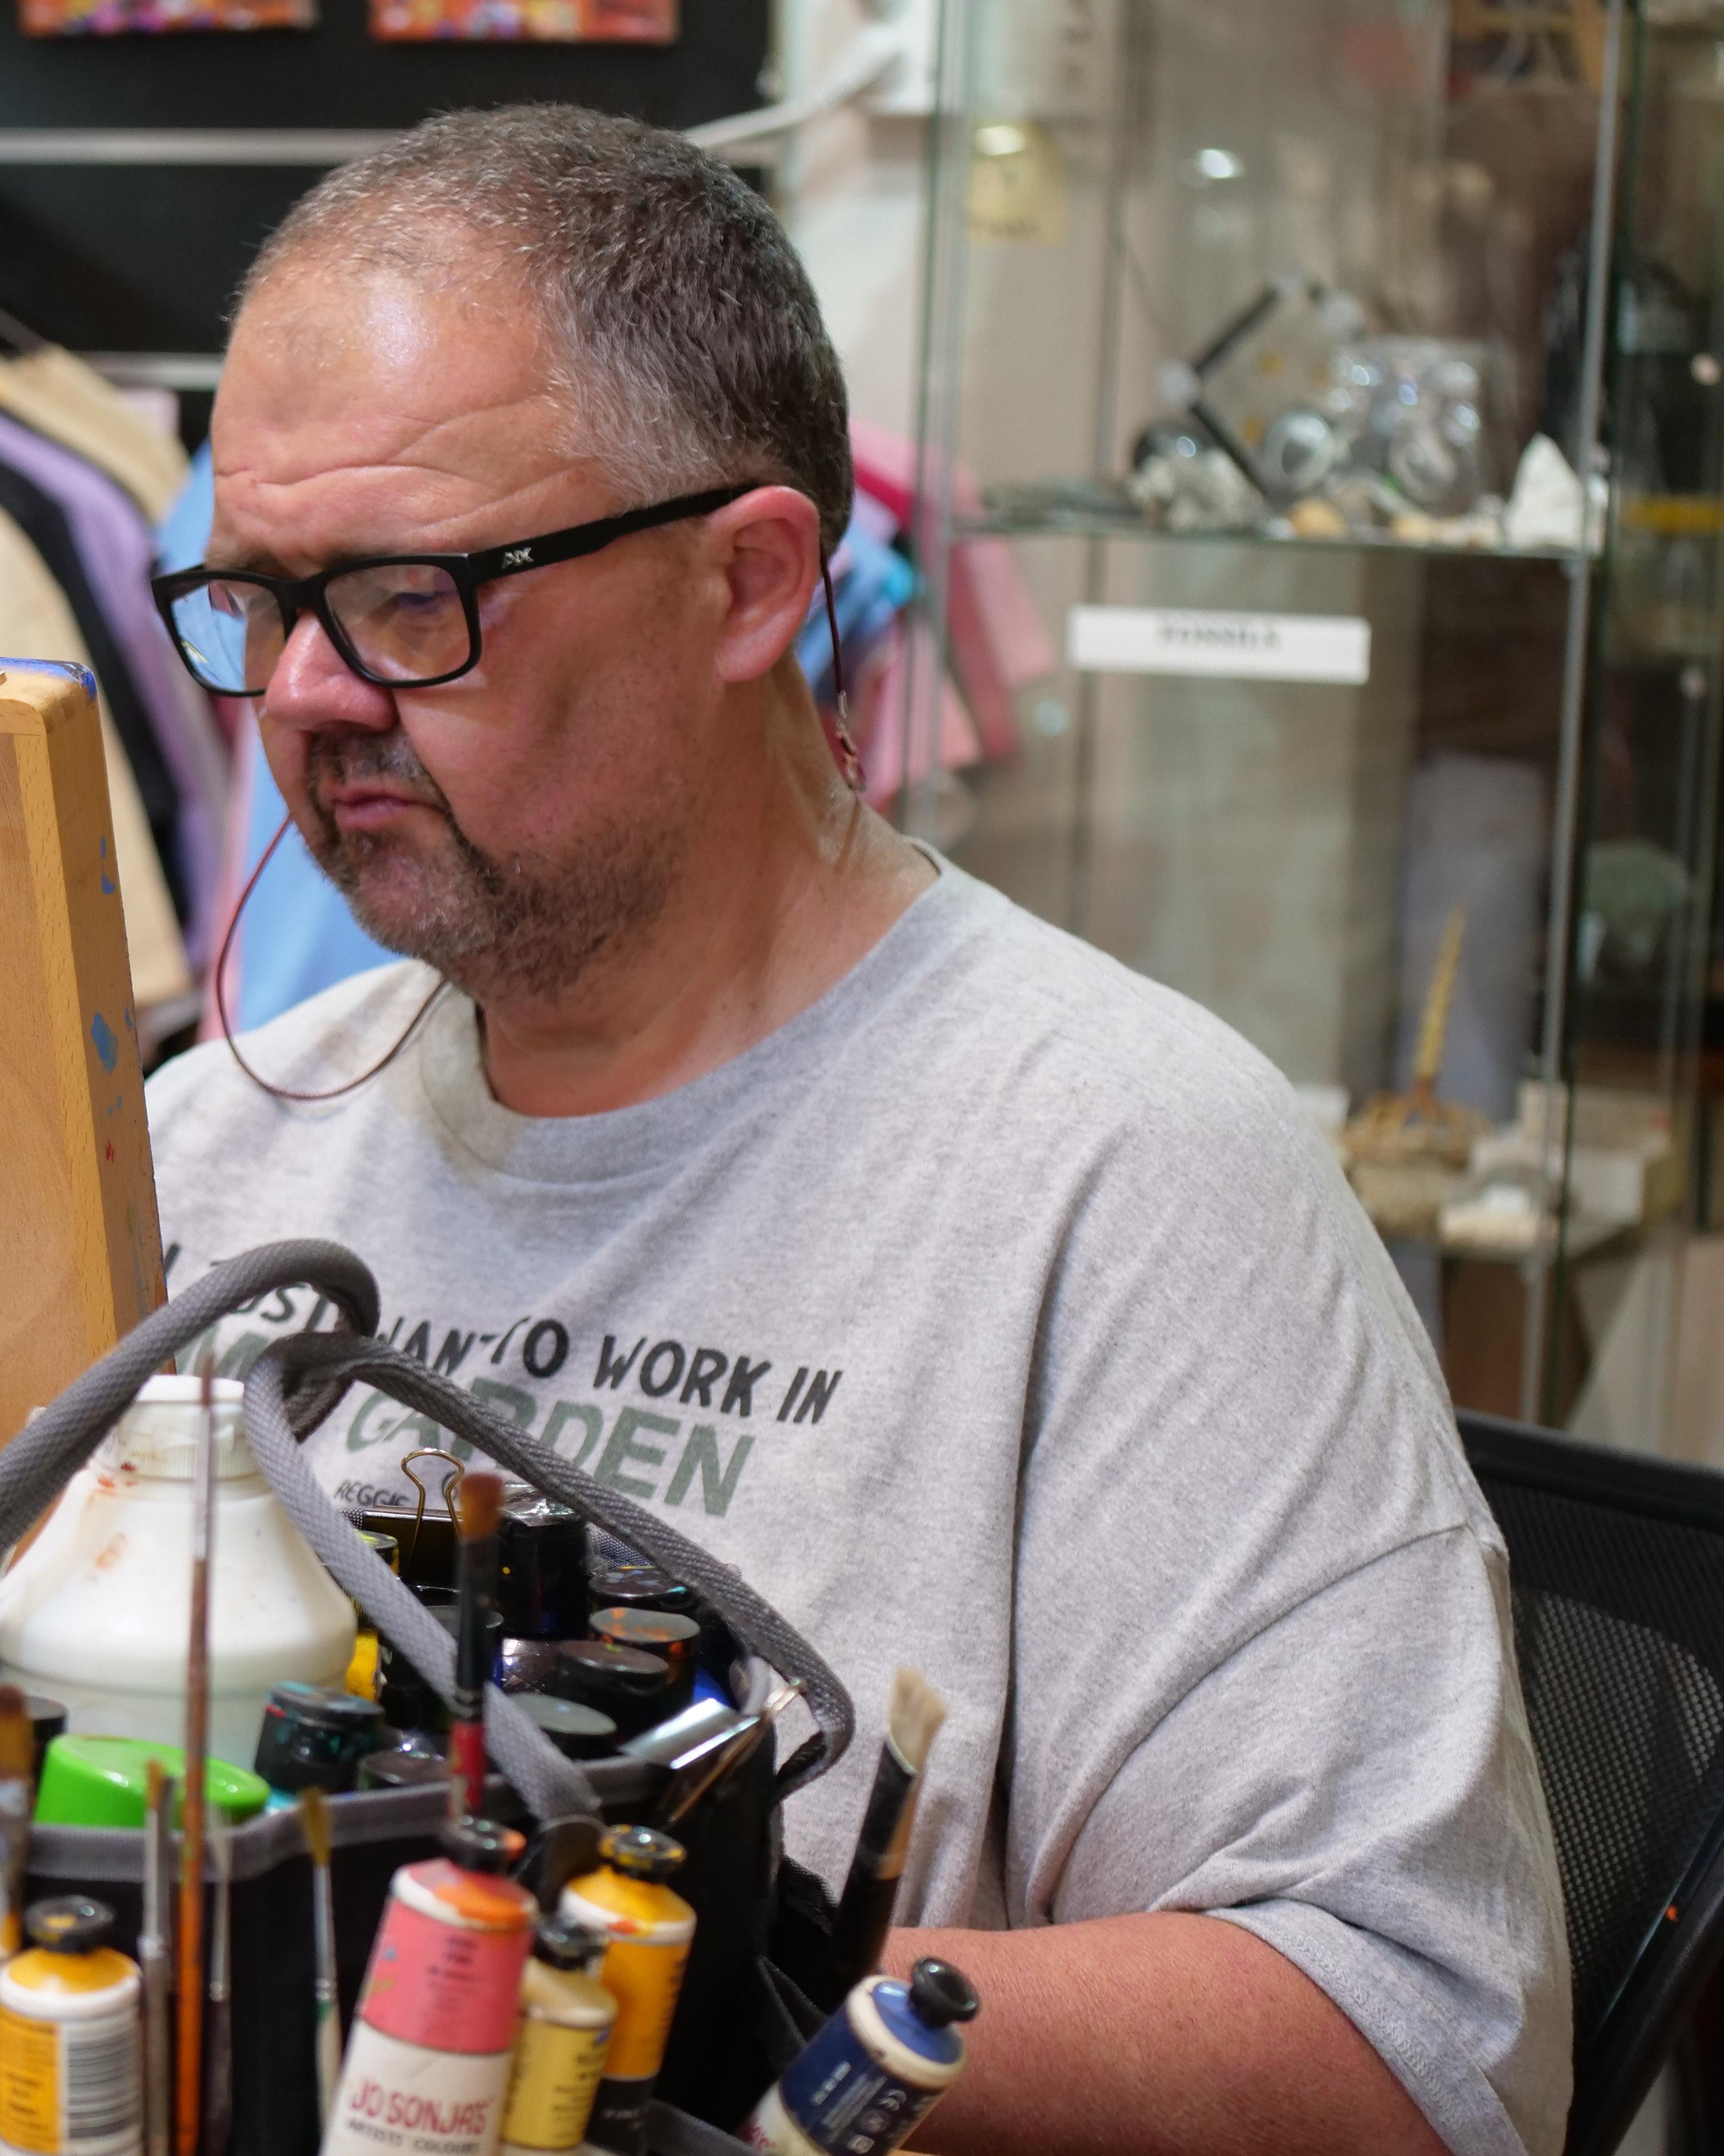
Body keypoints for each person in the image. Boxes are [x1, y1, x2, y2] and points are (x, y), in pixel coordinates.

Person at [141, 105, 1570, 2156]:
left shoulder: (1125, 1174)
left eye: (403, 597)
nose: (306, 696)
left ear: (752, 580)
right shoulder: (221, 1156)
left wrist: (681, 1984)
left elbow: (1411, 2046)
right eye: (258, 601)